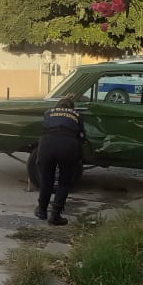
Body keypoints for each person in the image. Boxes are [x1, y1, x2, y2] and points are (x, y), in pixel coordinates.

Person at [35, 95, 84, 226]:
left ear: (57, 106)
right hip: (68, 146)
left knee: (46, 180)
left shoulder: (48, 112)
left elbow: (44, 128)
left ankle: (41, 211)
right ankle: (55, 215)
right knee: (64, 182)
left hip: (47, 144)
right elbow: (81, 135)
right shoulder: (76, 115)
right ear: (71, 108)